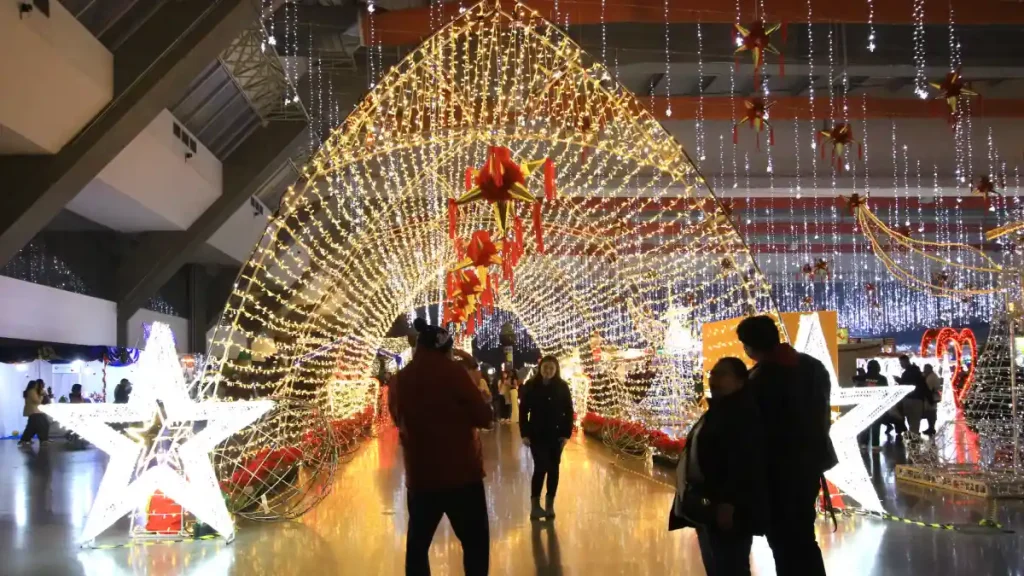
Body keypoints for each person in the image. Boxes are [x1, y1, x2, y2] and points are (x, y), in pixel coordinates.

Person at [389, 319, 493, 576]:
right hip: (462, 474)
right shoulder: (454, 372)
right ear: (445, 348)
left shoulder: (400, 379)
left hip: (421, 476)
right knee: (475, 543)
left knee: (418, 546)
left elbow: (396, 419)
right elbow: (484, 417)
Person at [736, 316, 836, 576]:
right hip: (808, 467)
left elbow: (753, 433)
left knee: (783, 543)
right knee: (803, 539)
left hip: (777, 475)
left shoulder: (758, 380)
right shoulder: (813, 367)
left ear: (749, 346)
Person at [670, 357, 767, 576]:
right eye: (712, 374)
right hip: (708, 503)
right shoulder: (719, 411)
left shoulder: (741, 415)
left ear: (740, 381)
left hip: (727, 506)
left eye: (722, 375)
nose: (714, 380)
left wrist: (728, 503)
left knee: (729, 566)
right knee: (717, 564)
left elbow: (743, 462)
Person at [519, 355, 574, 521]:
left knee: (554, 469)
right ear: (540, 368)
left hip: (556, 435)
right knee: (540, 467)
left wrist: (566, 434)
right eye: (545, 367)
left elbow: (568, 411)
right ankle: (535, 506)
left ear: (556, 369)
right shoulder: (531, 385)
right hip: (537, 434)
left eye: (551, 368)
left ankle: (550, 505)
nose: (548, 371)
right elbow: (523, 411)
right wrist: (525, 433)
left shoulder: (562, 386)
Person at [855, 360, 888, 449]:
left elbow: (856, 388)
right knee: (876, 425)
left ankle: (864, 444)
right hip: (877, 405)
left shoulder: (862, 378)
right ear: (878, 368)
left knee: (865, 425)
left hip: (864, 405)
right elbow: (886, 392)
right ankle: (875, 445)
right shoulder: (882, 379)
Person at [896, 355, 928, 436]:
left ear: (906, 361)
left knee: (912, 420)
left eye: (901, 363)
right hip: (917, 399)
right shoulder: (917, 372)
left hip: (911, 399)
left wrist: (899, 381)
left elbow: (905, 385)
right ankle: (914, 437)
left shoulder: (907, 373)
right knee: (914, 421)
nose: (901, 365)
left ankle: (914, 439)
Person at [18, 380, 50, 447]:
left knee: (32, 427)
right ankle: (43, 440)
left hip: (35, 411)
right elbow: (37, 401)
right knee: (43, 424)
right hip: (34, 411)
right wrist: (41, 395)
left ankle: (25, 440)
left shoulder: (32, 391)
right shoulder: (31, 391)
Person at [922, 363, 942, 435]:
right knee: (931, 412)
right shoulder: (932, 376)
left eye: (925, 369)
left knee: (931, 412)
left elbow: (928, 388)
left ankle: (931, 427)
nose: (924, 370)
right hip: (932, 396)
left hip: (931, 397)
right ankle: (931, 427)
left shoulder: (931, 377)